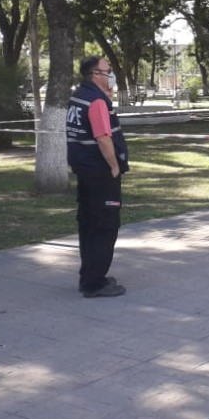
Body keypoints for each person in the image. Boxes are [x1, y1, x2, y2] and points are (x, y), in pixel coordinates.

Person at [66, 56, 130, 298]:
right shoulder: (96, 102)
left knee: (88, 225)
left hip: (84, 170)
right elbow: (103, 138)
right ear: (96, 74)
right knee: (105, 226)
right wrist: (114, 166)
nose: (110, 74)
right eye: (107, 71)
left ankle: (89, 276)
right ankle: (95, 283)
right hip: (101, 173)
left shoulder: (79, 96)